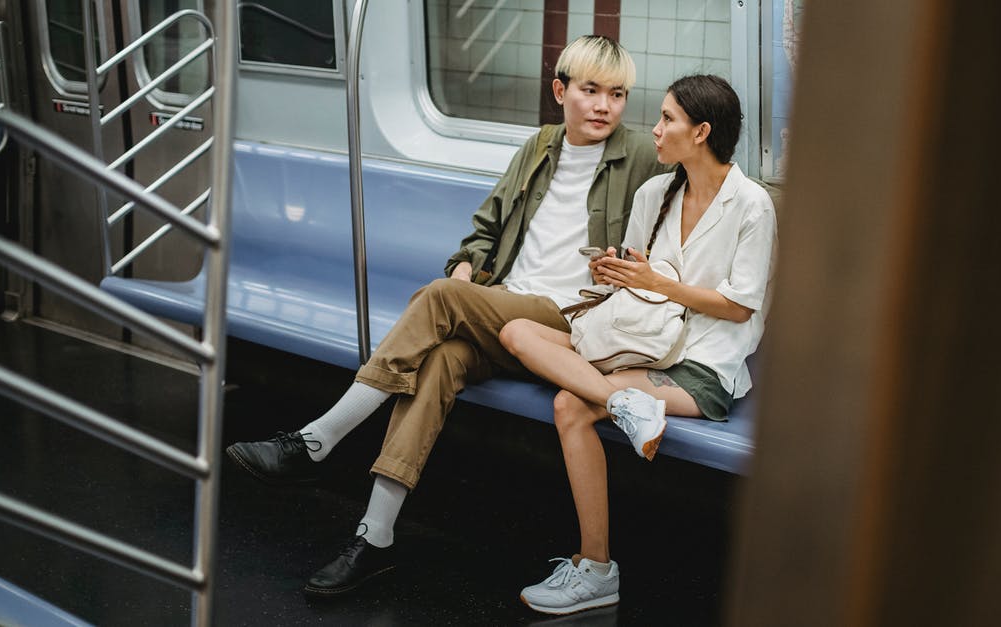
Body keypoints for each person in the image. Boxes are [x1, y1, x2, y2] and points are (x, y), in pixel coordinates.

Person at [223, 35, 669, 597]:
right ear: (560, 92)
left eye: (618, 94)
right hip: (505, 310)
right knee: (436, 359)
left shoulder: (643, 159)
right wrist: (465, 270)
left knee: (437, 298)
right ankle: (374, 535)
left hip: (568, 327)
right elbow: (482, 233)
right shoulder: (537, 148)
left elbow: (680, 220)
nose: (605, 105)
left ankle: (317, 440)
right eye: (590, 90)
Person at [498, 74, 778, 616]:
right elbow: (635, 287)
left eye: (668, 119)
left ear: (701, 132)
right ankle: (625, 401)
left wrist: (658, 284)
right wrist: (615, 273)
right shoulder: (656, 193)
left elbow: (740, 306)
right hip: (639, 345)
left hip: (701, 363)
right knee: (515, 331)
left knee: (570, 405)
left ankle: (597, 568)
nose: (654, 129)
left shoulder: (751, 205)